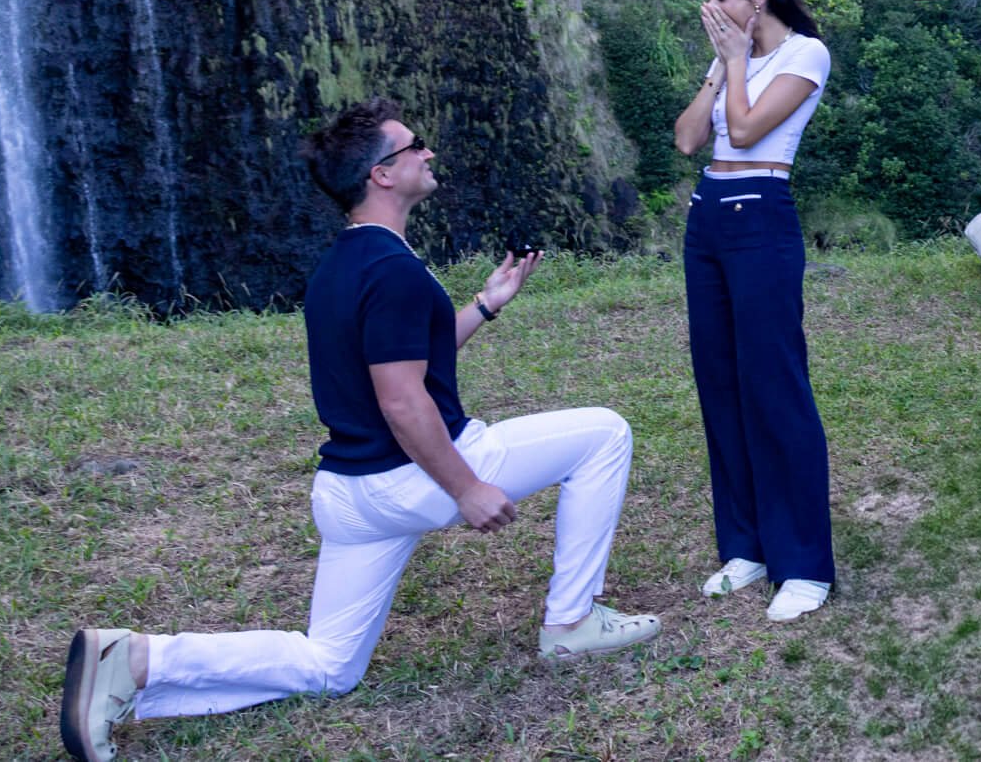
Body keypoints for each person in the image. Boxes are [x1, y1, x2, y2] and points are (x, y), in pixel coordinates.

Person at [57, 100, 659, 762]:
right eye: (414, 145)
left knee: (331, 665)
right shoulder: (392, 270)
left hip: (350, 492)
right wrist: (466, 488)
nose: (428, 152)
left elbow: (405, 359)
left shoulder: (344, 264)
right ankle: (572, 621)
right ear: (382, 174)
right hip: (413, 477)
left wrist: (486, 304)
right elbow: (402, 401)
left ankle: (137, 662)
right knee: (605, 432)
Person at [671, 0, 837, 622]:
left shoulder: (806, 54)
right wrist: (720, 66)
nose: (710, 7)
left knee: (774, 385)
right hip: (708, 216)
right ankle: (747, 547)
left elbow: (743, 132)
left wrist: (737, 60)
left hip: (760, 215)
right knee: (721, 382)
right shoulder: (728, 59)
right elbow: (689, 139)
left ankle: (804, 565)